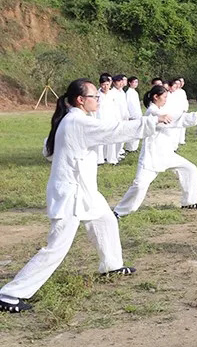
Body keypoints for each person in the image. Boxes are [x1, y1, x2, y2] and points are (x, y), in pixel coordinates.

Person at [0, 79, 170, 313]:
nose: (98, 100)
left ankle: (111, 265)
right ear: (80, 100)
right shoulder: (77, 122)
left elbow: (50, 151)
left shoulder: (73, 120)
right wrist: (151, 121)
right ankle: (10, 294)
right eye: (94, 97)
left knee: (106, 220)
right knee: (56, 247)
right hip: (70, 194)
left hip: (85, 191)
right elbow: (113, 131)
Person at [114, 85, 197, 217]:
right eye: (164, 97)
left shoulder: (160, 110)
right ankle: (119, 211)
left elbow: (176, 117)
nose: (166, 100)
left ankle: (189, 202)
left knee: (189, 169)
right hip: (152, 156)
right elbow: (176, 119)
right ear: (156, 97)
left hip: (166, 154)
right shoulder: (153, 112)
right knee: (140, 184)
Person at [96, 74, 120, 165]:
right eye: (103, 84)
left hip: (111, 120)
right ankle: (99, 159)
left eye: (107, 84)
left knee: (111, 140)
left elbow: (116, 108)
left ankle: (111, 159)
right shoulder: (97, 95)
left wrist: (118, 119)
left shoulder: (113, 94)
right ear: (100, 84)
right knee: (100, 140)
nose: (105, 87)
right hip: (100, 120)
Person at [124, 76, 143, 152]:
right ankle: (130, 148)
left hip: (137, 114)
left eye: (137, 82)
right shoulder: (128, 93)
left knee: (137, 131)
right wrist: (130, 115)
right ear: (129, 83)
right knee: (131, 132)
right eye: (134, 82)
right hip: (132, 115)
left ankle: (134, 147)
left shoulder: (135, 92)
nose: (136, 84)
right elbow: (128, 104)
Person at [175, 77, 190, 145]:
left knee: (183, 126)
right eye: (179, 82)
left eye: (182, 82)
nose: (180, 84)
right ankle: (176, 140)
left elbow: (185, 101)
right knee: (176, 126)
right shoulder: (173, 91)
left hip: (183, 111)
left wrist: (185, 109)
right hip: (176, 111)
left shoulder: (183, 91)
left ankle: (181, 140)